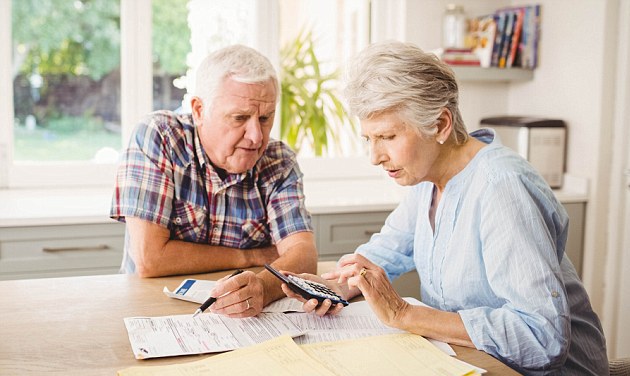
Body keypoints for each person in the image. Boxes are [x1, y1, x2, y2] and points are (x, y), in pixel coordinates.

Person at [280, 41, 608, 375]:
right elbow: (385, 252)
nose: (375, 157)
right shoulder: (428, 179)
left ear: (440, 125)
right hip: (473, 363)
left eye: (388, 137)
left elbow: (543, 338)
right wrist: (339, 285)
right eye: (369, 139)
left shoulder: (501, 187)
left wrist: (404, 315)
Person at [110, 44, 317, 318]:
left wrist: (263, 288)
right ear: (198, 110)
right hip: (153, 311)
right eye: (240, 118)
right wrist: (252, 257)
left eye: (265, 118)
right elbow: (150, 259)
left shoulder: (278, 160)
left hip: (245, 316)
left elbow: (304, 256)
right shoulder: (159, 137)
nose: (256, 136)